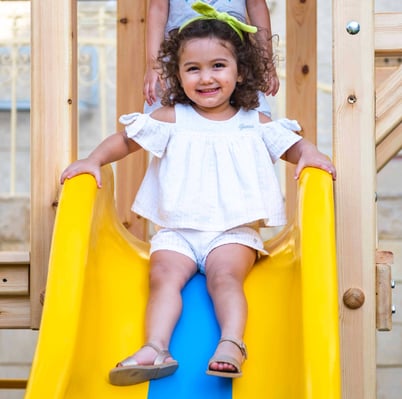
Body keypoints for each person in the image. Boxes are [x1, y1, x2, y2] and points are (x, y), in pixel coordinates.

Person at [61, 2, 336, 386]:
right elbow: (125, 141)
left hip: (231, 232)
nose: (206, 78)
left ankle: (231, 342)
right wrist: (93, 160)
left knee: (224, 278)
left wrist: (312, 156)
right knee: (162, 276)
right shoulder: (171, 118)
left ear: (241, 74)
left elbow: (295, 147)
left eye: (218, 66)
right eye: (193, 69)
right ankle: (155, 347)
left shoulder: (253, 123)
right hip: (177, 231)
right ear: (177, 75)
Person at [143, 0, 280, 116]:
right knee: (170, 120)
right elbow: (158, 8)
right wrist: (154, 64)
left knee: (249, 116)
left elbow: (256, 5)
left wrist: (265, 60)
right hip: (182, 60)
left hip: (231, 58)